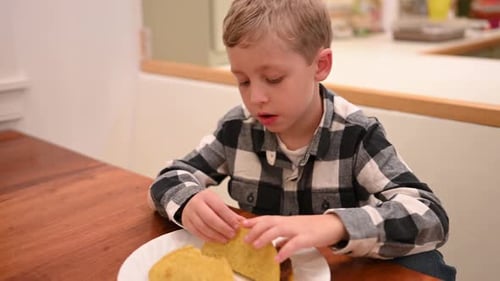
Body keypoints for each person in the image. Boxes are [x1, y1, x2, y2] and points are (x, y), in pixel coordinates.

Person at [148, 0, 455, 279]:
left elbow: (431, 216)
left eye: (273, 79)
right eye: (242, 81)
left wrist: (334, 225)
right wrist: (187, 200)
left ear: (320, 65)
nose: (255, 98)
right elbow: (169, 177)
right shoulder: (237, 128)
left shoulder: (356, 134)